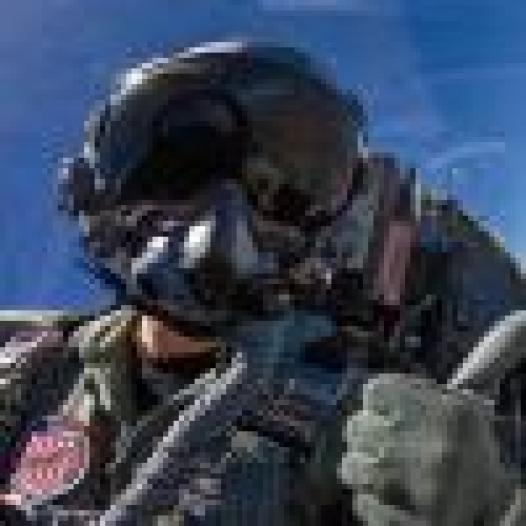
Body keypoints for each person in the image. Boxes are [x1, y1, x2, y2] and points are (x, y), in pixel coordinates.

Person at [0, 39, 520, 525]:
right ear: (93, 197)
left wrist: (498, 509)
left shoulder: (371, 418)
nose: (222, 227)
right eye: (179, 175)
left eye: (286, 190)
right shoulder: (30, 371)